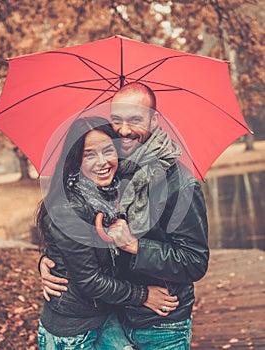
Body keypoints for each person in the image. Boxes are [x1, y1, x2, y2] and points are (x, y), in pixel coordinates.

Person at [40, 83, 209, 349]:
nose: (124, 129)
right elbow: (73, 229)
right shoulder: (111, 165)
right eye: (117, 119)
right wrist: (51, 262)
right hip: (113, 316)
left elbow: (195, 261)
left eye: (135, 120)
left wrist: (136, 246)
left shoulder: (180, 184)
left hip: (160, 323)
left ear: (154, 119)